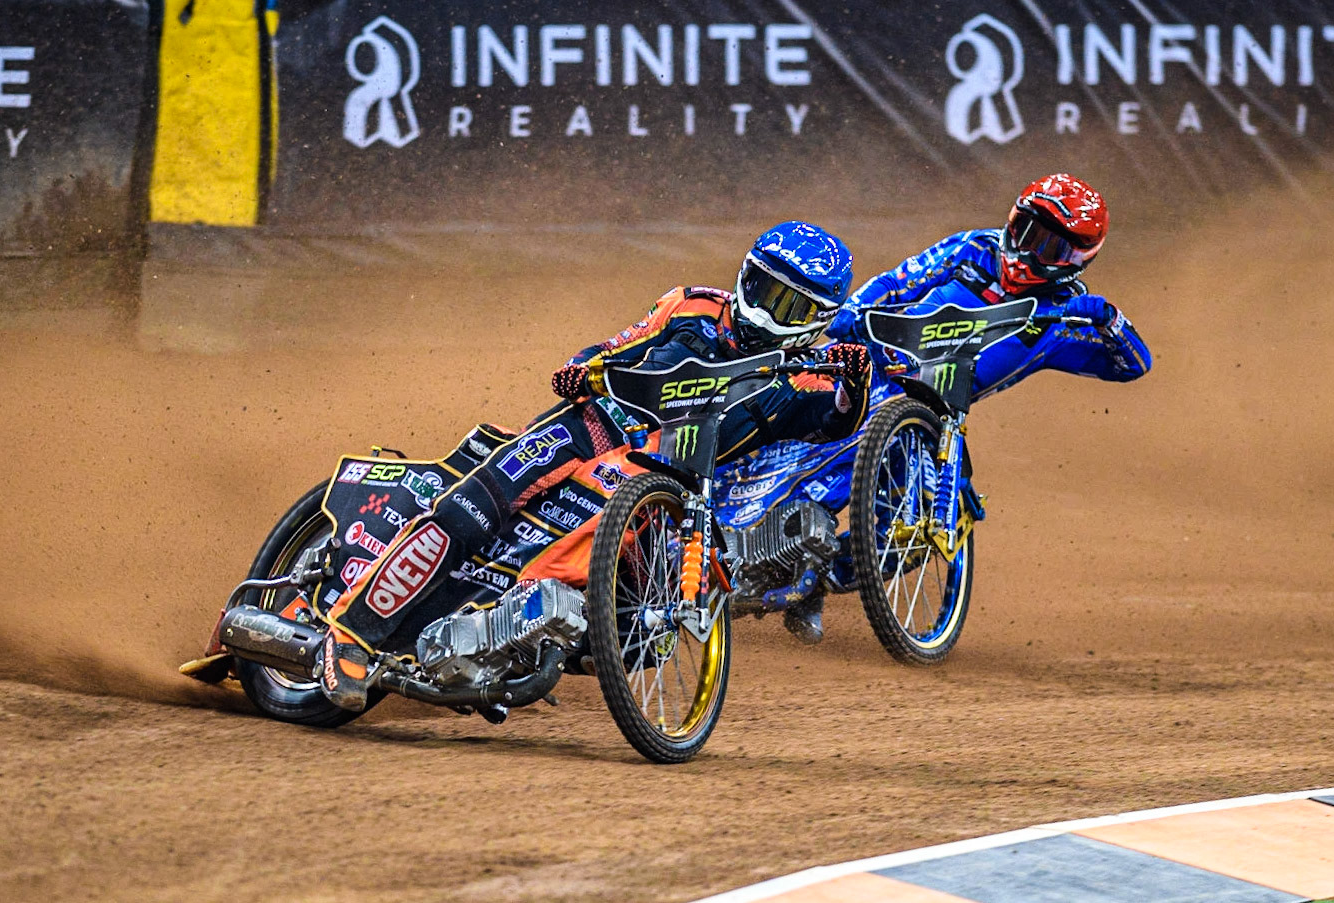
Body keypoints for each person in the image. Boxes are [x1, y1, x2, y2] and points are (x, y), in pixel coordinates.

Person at [315, 221, 873, 711]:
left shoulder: (801, 378)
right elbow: (619, 346)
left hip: (663, 486)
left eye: (790, 304)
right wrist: (582, 369)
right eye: (763, 288)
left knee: (648, 628)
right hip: (592, 429)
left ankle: (526, 644)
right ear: (745, 274)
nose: (769, 310)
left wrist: (853, 383)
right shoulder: (694, 306)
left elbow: (834, 423)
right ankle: (352, 636)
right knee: (468, 510)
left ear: (816, 319)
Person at [723, 173, 1152, 644]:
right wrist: (853, 315)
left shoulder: (1063, 315)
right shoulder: (974, 250)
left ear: (1073, 260)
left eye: (1046, 245)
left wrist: (1108, 318)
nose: (1025, 249)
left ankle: (814, 576)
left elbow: (1134, 363)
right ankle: (727, 529)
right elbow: (898, 281)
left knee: (910, 535)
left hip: (936, 421)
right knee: (790, 449)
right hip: (875, 373)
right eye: (1023, 228)